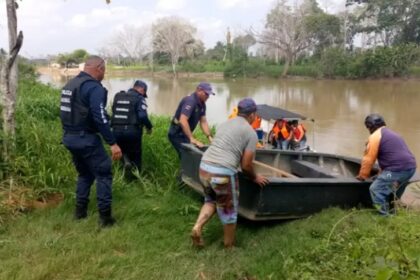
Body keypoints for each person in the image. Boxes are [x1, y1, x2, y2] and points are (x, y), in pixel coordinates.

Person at [190, 98, 269, 249]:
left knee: (211, 200)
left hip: (204, 166)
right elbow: (246, 165)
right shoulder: (250, 133)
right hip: (222, 173)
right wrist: (255, 177)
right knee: (229, 211)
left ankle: (197, 227)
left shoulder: (224, 124)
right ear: (252, 115)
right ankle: (229, 246)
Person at [60, 55, 122, 227]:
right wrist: (112, 142)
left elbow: (69, 112)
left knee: (85, 174)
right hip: (85, 139)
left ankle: (80, 213)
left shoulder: (70, 84)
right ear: (99, 68)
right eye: (105, 70)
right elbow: (99, 117)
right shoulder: (94, 88)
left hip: (69, 137)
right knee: (104, 174)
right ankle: (105, 219)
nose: (104, 74)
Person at [356, 113, 417, 215]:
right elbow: (390, 157)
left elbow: (368, 160)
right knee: (394, 191)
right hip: (410, 169)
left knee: (376, 189)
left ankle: (384, 217)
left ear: (370, 126)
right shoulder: (392, 134)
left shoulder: (374, 137)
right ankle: (393, 211)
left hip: (395, 171)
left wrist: (362, 176)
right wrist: (382, 173)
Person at [111, 80, 153, 175]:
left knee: (122, 150)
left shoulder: (118, 96)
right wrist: (149, 127)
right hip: (132, 132)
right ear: (142, 89)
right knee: (136, 154)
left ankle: (125, 165)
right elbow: (142, 116)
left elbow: (114, 111)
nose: (143, 95)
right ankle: (136, 177)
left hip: (116, 130)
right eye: (144, 93)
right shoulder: (139, 98)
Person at [168, 82, 214, 158]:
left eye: (209, 94)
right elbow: (183, 120)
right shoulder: (190, 101)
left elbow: (203, 122)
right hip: (177, 133)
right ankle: (184, 169)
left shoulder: (202, 104)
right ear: (199, 90)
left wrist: (209, 137)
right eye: (206, 94)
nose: (208, 96)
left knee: (191, 155)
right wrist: (192, 138)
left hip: (185, 134)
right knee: (187, 156)